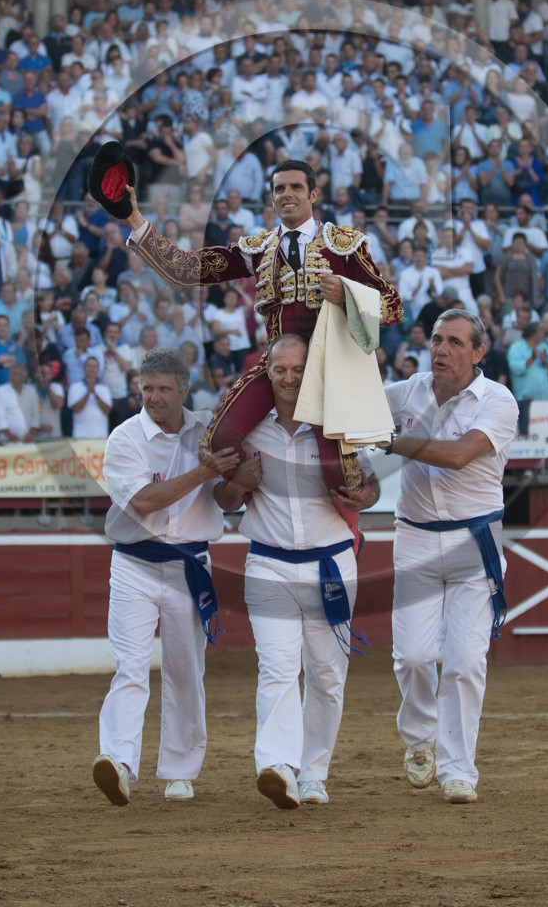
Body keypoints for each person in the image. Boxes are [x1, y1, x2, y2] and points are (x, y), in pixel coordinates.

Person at [120, 157, 401, 541]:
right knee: (218, 440)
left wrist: (348, 295)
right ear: (271, 197)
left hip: (329, 374)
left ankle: (349, 537)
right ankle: (255, 496)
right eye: (279, 189)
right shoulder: (258, 249)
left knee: (341, 474)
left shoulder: (345, 246)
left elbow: (392, 306)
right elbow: (185, 270)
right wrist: (136, 220)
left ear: (313, 194)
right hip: (277, 367)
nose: (287, 194)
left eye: (296, 187)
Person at [214, 335, 379, 809]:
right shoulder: (248, 432)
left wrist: (362, 498)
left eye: (299, 369)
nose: (289, 378)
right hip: (269, 562)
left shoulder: (336, 426)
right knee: (277, 667)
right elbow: (221, 500)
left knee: (327, 675)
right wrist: (237, 485)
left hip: (331, 564)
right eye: (280, 370)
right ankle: (277, 765)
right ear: (266, 373)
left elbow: (369, 487)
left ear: (313, 372)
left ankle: (314, 773)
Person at [92, 347, 240, 807]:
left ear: (184, 390)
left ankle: (180, 771)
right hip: (134, 564)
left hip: (189, 565)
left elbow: (228, 499)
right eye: (147, 388)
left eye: (163, 389)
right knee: (131, 665)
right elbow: (144, 502)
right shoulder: (124, 437)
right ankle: (118, 761)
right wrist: (205, 471)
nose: (153, 397)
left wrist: (239, 481)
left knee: (185, 670)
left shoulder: (210, 430)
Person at [382, 310, 518, 804]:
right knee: (413, 657)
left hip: (474, 540)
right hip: (416, 536)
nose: (442, 349)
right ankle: (420, 741)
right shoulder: (404, 392)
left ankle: (459, 768)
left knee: (464, 661)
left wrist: (390, 441)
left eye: (456, 342)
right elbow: (354, 411)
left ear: (479, 352)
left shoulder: (498, 400)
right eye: (438, 339)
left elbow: (460, 455)